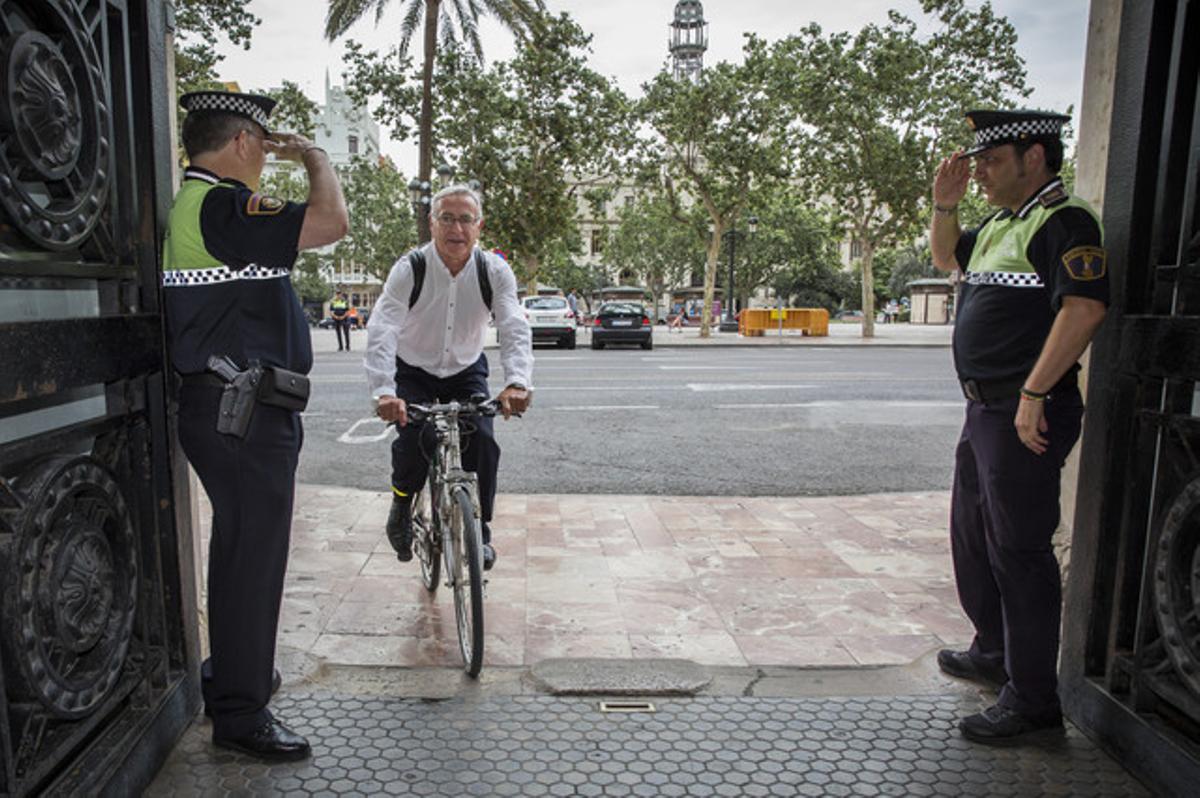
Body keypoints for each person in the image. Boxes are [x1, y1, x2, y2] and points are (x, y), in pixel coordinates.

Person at [163, 90, 348, 760]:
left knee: (241, 552)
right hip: (241, 413)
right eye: (265, 147)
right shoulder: (222, 204)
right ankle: (241, 714)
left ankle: (234, 675)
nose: (268, 161)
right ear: (243, 142)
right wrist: (318, 158)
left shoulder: (197, 207)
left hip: (228, 410)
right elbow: (330, 223)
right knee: (253, 560)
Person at [930, 109, 1108, 745]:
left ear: (1034, 157)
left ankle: (1033, 700)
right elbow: (947, 254)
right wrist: (944, 206)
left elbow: (1084, 309)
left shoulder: (1065, 221)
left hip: (1023, 412)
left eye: (991, 161)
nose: (978, 172)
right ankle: (994, 650)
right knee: (975, 536)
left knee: (1020, 551)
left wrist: (1036, 391)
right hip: (986, 410)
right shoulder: (1005, 223)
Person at [364, 184, 532, 571]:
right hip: (413, 368)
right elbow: (383, 329)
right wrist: (384, 392)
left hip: (465, 368)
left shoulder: (493, 270)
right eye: (447, 218)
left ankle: (480, 529)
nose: (456, 228)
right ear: (431, 223)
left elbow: (513, 326)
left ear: (479, 226)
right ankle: (402, 505)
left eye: (465, 219)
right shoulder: (411, 268)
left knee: (484, 442)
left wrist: (518, 381)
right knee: (413, 440)